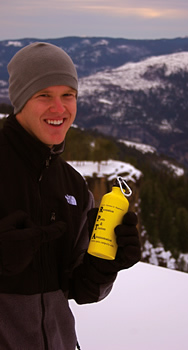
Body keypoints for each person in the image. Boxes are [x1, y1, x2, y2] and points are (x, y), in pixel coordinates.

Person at [0, 42, 141, 350]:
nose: (59, 108)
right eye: (44, 95)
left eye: (68, 95)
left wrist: (104, 265)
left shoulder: (73, 186)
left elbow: (76, 286)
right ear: (20, 100)